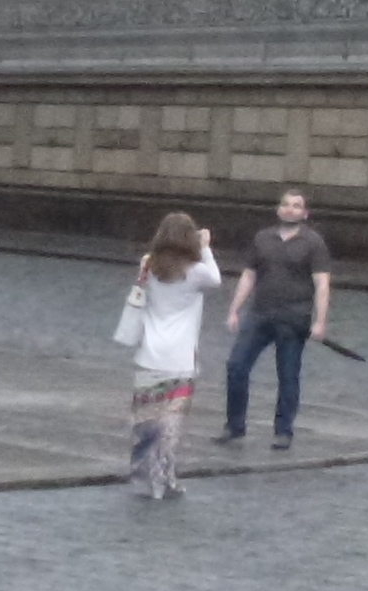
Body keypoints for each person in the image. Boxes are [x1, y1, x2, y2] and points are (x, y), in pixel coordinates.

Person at [219, 187, 333, 449]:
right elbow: (249, 276)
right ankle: (234, 426)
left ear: (305, 213)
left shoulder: (313, 243)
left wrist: (320, 321)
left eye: (296, 205)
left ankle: (283, 431)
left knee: (288, 375)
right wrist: (234, 309)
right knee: (236, 366)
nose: (290, 209)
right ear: (278, 209)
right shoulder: (262, 238)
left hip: (293, 319)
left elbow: (322, 284)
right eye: (285, 204)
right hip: (259, 314)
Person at [127, 213, 221, 501]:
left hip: (149, 354)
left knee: (146, 421)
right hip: (180, 358)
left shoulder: (148, 264)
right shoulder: (196, 272)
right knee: (170, 424)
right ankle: (165, 479)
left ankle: (144, 478)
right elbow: (216, 279)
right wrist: (206, 247)